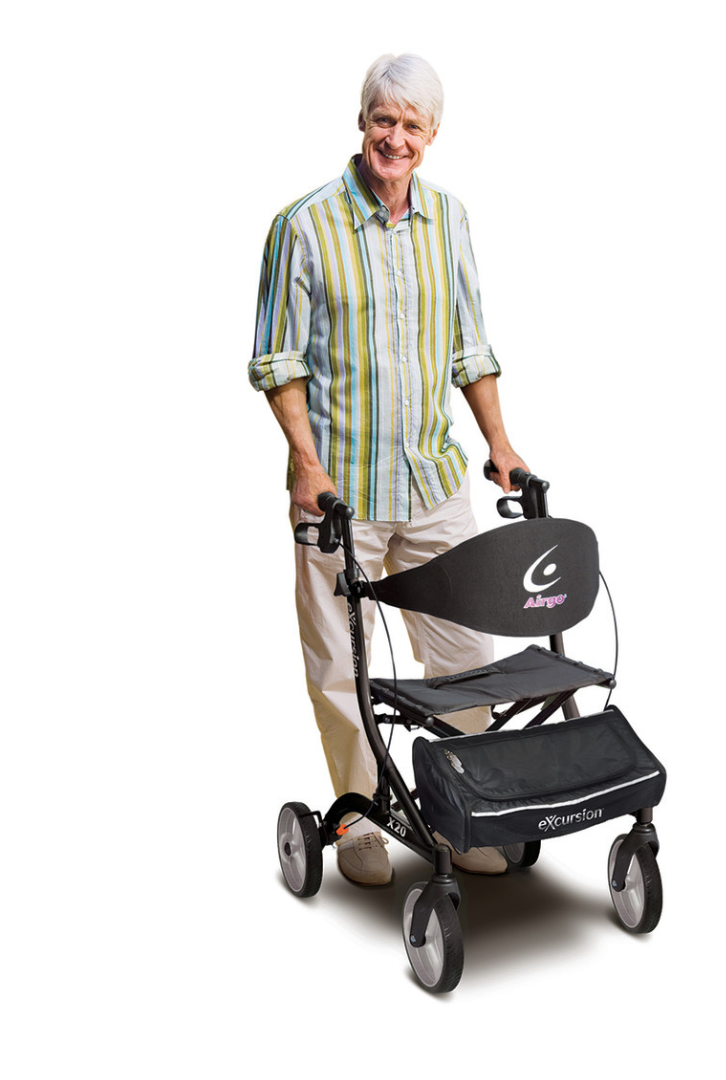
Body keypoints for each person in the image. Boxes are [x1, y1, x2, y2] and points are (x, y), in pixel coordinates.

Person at [250, 54, 527, 885]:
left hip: (433, 481)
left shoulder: (451, 219)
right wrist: (305, 464)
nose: (394, 138)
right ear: (362, 122)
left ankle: (464, 805)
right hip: (342, 492)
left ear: (432, 135)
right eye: (383, 120)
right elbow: (278, 360)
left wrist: (500, 444)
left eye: (412, 125)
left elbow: (470, 347)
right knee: (343, 664)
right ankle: (362, 820)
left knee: (464, 658)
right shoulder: (304, 225)